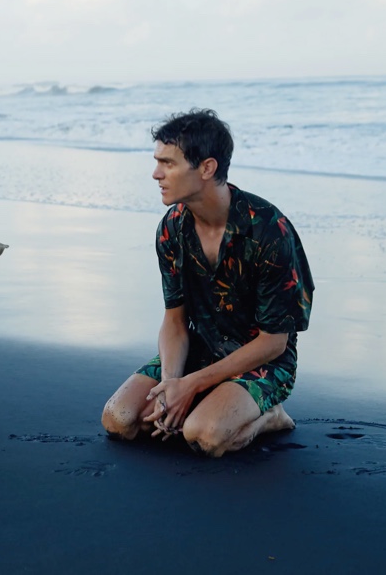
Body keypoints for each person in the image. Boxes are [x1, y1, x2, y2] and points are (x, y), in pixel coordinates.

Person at [101, 109, 314, 457]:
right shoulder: (171, 228)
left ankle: (270, 417)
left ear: (207, 168)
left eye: (167, 163)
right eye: (157, 162)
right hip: (200, 349)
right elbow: (174, 321)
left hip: (261, 361)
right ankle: (201, 398)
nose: (156, 174)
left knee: (204, 436)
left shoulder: (268, 231)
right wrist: (172, 383)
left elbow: (274, 343)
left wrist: (192, 384)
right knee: (120, 420)